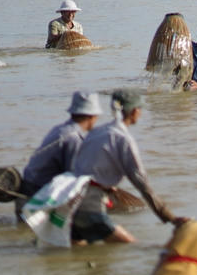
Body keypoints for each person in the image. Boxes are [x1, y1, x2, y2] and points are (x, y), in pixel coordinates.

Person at [70, 89, 181, 244]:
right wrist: (171, 218)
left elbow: (82, 166)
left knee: (87, 255)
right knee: (131, 247)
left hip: (72, 204)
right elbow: (143, 186)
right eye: (140, 109)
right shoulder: (123, 139)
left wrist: (107, 186)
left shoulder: (97, 132)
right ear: (134, 111)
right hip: (91, 207)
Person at [16, 91, 102, 214]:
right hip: (38, 196)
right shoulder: (74, 139)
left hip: (26, 190)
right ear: (91, 116)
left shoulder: (60, 129)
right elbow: (73, 180)